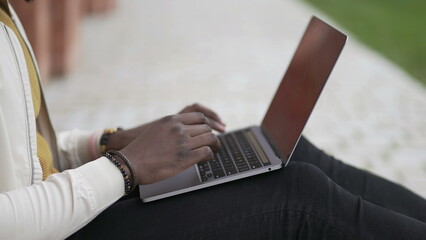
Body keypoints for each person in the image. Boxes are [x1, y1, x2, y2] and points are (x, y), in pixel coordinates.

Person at [1, 1, 426, 239]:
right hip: (55, 230)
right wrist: (127, 168)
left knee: (294, 155)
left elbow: (25, 154)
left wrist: (110, 143)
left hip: (66, 209)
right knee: (298, 194)